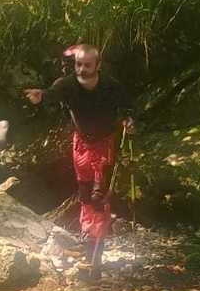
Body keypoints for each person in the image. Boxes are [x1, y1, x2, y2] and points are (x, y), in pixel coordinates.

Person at [25, 44, 135, 278]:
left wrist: (129, 120)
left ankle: (95, 256)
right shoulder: (68, 85)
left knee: (99, 198)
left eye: (87, 65)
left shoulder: (110, 86)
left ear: (98, 65)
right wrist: (41, 96)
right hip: (81, 146)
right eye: (78, 64)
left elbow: (127, 106)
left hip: (105, 145)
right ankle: (89, 249)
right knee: (85, 196)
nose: (82, 69)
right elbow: (52, 94)